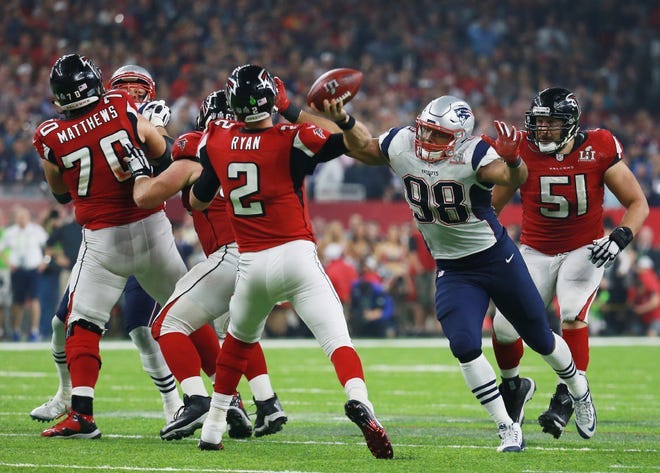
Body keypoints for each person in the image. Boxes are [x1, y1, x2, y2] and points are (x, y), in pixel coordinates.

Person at [281, 85, 596, 451]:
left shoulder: (474, 151)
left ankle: (579, 391)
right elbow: (361, 145)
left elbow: (513, 179)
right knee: (463, 343)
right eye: (426, 129)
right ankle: (507, 426)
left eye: (439, 134)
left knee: (540, 337)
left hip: (496, 259)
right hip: (453, 267)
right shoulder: (402, 142)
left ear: (459, 137)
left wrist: (512, 160)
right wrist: (341, 119)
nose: (427, 138)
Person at [188, 64, 393, 459]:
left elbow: (197, 199)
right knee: (337, 341)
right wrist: (300, 110)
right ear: (271, 97)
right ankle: (360, 400)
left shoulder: (216, 137)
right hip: (296, 256)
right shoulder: (291, 136)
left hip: (250, 264)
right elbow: (357, 142)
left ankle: (213, 428)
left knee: (236, 343)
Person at [32, 53, 188, 438]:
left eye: (139, 90)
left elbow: (61, 194)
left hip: (109, 236)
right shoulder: (121, 109)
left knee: (138, 327)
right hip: (141, 234)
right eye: (125, 88)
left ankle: (176, 403)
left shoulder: (54, 133)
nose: (130, 94)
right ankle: (67, 394)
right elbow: (168, 156)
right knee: (61, 322)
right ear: (105, 88)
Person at [488, 88, 649, 439]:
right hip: (535, 250)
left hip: (584, 248)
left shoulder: (599, 146)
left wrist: (620, 236)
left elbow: (638, 203)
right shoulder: (523, 151)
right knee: (502, 327)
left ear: (571, 125)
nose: (543, 130)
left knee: (572, 313)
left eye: (552, 123)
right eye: (539, 122)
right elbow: (491, 207)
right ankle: (514, 387)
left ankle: (568, 395)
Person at [127, 89, 286, 441]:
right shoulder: (260, 147)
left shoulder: (199, 146)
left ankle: (197, 398)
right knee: (238, 333)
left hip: (231, 255)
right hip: (270, 256)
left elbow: (149, 195)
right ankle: (266, 401)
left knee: (166, 326)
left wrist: (143, 160)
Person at [0, 206, 48, 342]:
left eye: (24, 217)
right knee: (18, 301)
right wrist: (9, 264)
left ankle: (34, 330)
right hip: (18, 270)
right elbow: (1, 249)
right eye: (19, 217)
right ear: (16, 219)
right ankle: (16, 330)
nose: (21, 220)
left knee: (34, 299)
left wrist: (45, 262)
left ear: (28, 218)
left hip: (34, 269)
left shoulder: (36, 231)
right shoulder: (10, 232)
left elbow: (48, 247)